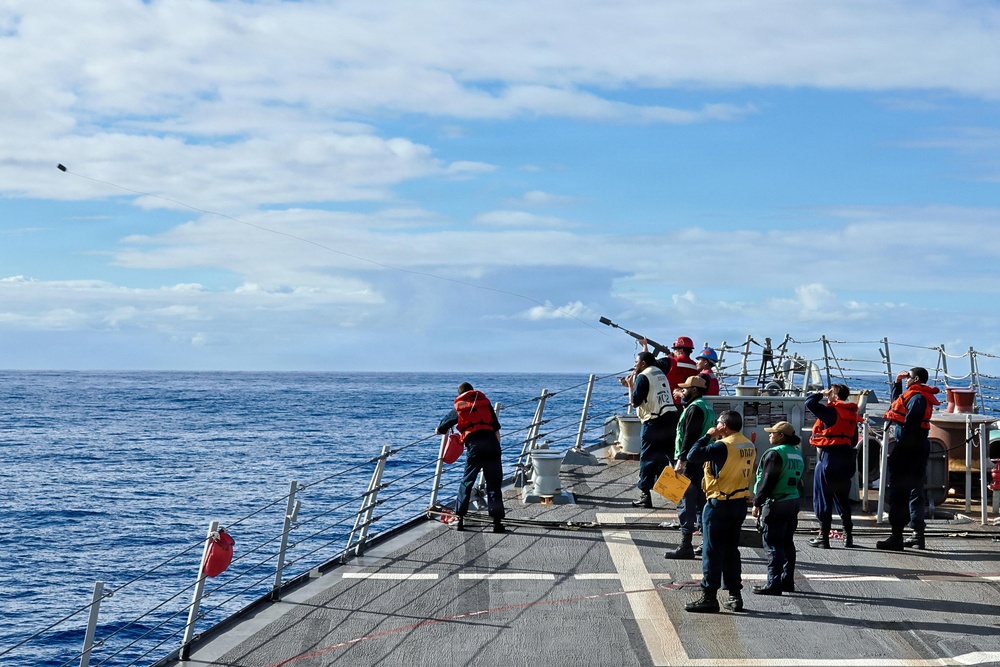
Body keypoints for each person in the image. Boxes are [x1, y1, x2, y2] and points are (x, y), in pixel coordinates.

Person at [684, 410, 756, 614]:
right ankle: (735, 596)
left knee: (712, 551)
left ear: (724, 426)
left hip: (719, 503)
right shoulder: (747, 445)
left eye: (718, 423)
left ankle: (709, 597)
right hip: (739, 503)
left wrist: (708, 435)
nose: (715, 426)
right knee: (731, 550)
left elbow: (692, 455)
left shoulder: (722, 445)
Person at [877, 367, 941, 551]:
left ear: (917, 379)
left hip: (909, 449)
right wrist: (897, 383)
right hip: (916, 447)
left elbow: (911, 426)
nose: (907, 380)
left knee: (900, 492)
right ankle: (916, 536)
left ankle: (897, 536)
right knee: (915, 491)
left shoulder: (918, 399)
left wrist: (899, 452)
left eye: (909, 377)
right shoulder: (916, 397)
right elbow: (897, 404)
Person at [435, 382, 506, 533]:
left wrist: (438, 430)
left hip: (475, 447)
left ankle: (460, 519)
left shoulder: (459, 407)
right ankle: (497, 523)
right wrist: (496, 449)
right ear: (473, 392)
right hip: (492, 445)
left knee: (467, 482)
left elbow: (441, 428)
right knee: (493, 484)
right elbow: (496, 430)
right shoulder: (485, 404)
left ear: (460, 394)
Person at [805, 384, 862, 549]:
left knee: (823, 498)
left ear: (835, 395)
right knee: (843, 499)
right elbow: (853, 440)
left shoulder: (831, 412)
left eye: (830, 393)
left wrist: (820, 394)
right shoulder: (851, 415)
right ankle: (848, 537)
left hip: (829, 458)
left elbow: (809, 402)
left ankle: (824, 537)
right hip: (846, 460)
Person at [751, 422, 804, 595]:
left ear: (781, 435)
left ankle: (773, 583)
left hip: (776, 502)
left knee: (772, 542)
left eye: (772, 433)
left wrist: (757, 503)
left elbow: (767, 481)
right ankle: (787, 581)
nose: (769, 435)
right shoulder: (796, 453)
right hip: (792, 500)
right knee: (787, 542)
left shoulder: (775, 454)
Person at [620, 352, 679, 508]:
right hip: (671, 418)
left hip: (653, 421)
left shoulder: (643, 376)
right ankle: (685, 493)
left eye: (636, 362)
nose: (635, 365)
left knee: (648, 458)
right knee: (672, 457)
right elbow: (667, 361)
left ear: (643, 363)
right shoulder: (660, 372)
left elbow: (635, 402)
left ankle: (645, 495)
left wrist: (631, 385)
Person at [664, 375, 713, 560]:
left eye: (685, 389)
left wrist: (681, 460)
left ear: (694, 390)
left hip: (691, 462)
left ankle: (686, 545)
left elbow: (689, 436)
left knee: (686, 502)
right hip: (703, 461)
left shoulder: (694, 408)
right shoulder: (706, 406)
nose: (682, 391)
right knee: (702, 502)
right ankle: (705, 543)